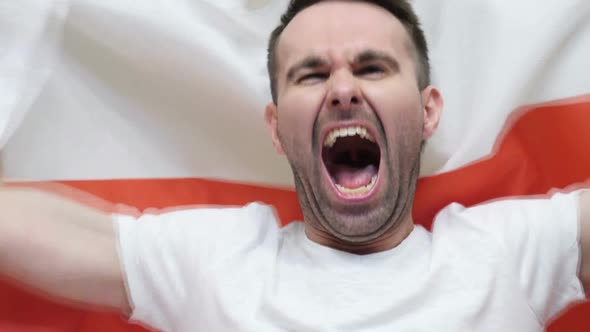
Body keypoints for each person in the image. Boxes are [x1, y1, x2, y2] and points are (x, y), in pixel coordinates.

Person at [0, 0, 588, 331]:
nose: (342, 89)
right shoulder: (218, 260)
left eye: (373, 67)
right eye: (311, 74)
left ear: (429, 111)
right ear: (277, 127)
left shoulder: (506, 251)